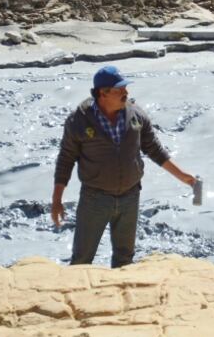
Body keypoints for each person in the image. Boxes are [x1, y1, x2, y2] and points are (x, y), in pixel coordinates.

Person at [51, 65, 196, 267]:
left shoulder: (136, 116)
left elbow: (153, 148)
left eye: (125, 88)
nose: (126, 93)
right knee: (82, 259)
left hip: (130, 196)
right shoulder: (79, 121)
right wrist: (57, 199)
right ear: (103, 93)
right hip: (95, 199)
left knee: (124, 260)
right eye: (119, 89)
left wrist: (182, 176)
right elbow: (66, 159)